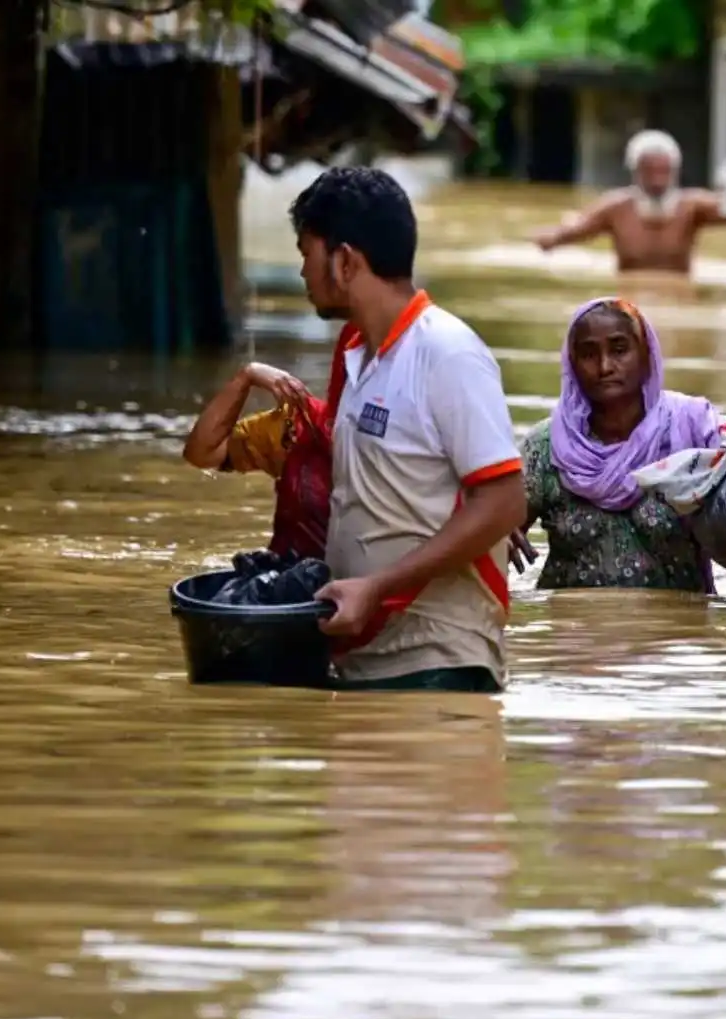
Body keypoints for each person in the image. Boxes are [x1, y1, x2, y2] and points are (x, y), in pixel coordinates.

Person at [289, 166, 526, 693]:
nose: (302, 271)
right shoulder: (356, 357)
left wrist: (377, 587)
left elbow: (505, 503)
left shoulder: (447, 353)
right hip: (363, 658)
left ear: (345, 260)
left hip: (438, 662)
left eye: (307, 252)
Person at [516, 297, 726, 593]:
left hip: (674, 635)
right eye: (588, 354)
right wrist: (491, 536)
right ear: (571, 364)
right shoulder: (546, 447)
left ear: (647, 356)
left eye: (619, 350)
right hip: (573, 632)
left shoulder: (694, 430)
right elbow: (496, 533)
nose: (605, 366)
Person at [532, 129, 726, 275]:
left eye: (664, 171)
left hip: (680, 289)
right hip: (629, 292)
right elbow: (573, 232)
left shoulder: (693, 206)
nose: (657, 179)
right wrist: (547, 239)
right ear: (635, 171)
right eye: (650, 170)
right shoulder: (615, 207)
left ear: (675, 171)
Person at [182, 361, 333, 558]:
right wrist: (245, 378)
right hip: (298, 576)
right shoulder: (301, 428)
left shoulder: (381, 449)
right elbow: (203, 453)